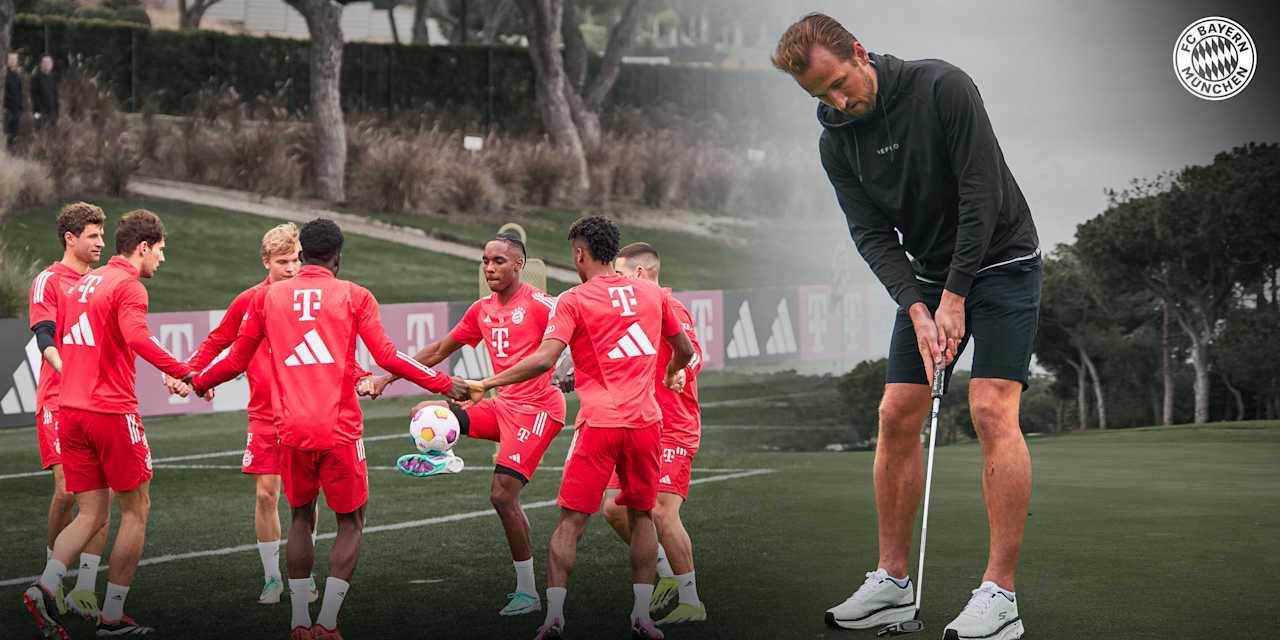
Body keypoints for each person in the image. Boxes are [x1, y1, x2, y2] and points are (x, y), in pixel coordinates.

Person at [772, 14, 1041, 640]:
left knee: (990, 410)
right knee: (895, 414)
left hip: (1001, 261)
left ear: (860, 53)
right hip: (925, 277)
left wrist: (955, 296)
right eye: (820, 96)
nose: (839, 102)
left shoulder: (943, 87)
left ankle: (1000, 597)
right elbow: (870, 234)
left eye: (840, 83)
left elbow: (982, 194)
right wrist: (920, 308)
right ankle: (893, 583)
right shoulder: (836, 140)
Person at [193, 218, 470, 640]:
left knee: (300, 517)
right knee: (351, 522)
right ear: (338, 257)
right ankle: (327, 623)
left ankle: (298, 622)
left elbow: (232, 361)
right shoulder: (354, 295)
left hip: (290, 431)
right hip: (339, 430)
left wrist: (194, 381)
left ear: (301, 254)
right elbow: (390, 357)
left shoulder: (267, 299)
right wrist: (446, 383)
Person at [464, 216, 694, 640]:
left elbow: (544, 360)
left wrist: (487, 382)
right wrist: (672, 374)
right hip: (646, 425)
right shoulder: (651, 294)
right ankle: (642, 617)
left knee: (571, 523)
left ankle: (554, 617)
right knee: (643, 518)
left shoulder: (574, 299)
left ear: (580, 254)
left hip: (599, 425)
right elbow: (683, 349)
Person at [360, 233, 566, 617]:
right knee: (424, 412)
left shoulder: (542, 305)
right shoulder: (481, 310)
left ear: (519, 265)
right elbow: (439, 350)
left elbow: (571, 342)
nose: (490, 267)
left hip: (538, 409)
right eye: (485, 261)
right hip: (503, 405)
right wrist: (386, 379)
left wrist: (571, 374)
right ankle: (442, 454)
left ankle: (528, 591)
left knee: (502, 495)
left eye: (499, 261)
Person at [24, 209, 195, 637]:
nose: (162, 259)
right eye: (160, 250)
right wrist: (185, 371)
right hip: (110, 410)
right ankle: (113, 617)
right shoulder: (128, 286)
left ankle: (46, 585)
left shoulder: (85, 283)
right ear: (143, 248)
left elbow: (108, 339)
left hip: (73, 410)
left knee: (92, 510)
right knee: (136, 509)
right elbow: (137, 336)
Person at [180, 223, 320, 605]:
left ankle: (303, 575)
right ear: (266, 261)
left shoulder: (311, 298)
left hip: (306, 413)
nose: (292, 268)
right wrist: (188, 374)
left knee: (303, 499)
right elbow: (218, 341)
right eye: (283, 262)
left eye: (296, 260)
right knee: (265, 496)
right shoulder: (249, 300)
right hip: (263, 415)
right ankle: (273, 577)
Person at [600, 242, 707, 626]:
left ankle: (692, 601)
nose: (615, 281)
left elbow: (691, 352)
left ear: (640, 275)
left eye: (621, 274)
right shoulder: (628, 312)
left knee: (661, 511)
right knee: (613, 509)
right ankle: (665, 574)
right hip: (638, 424)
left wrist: (681, 372)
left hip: (674, 426)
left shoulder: (669, 307)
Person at [27, 202, 114, 621]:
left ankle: (84, 589)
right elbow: (46, 338)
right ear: (70, 238)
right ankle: (51, 577)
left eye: (102, 235)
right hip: (60, 400)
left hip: (100, 404)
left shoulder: (101, 282)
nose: (101, 242)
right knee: (67, 492)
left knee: (103, 496)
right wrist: (74, 374)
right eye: (94, 236)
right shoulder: (49, 280)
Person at [31, 55, 58, 127]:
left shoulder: (53, 79)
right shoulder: (35, 78)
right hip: (38, 113)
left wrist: (56, 112)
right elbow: (34, 96)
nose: (47, 64)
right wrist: (41, 111)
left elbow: (55, 97)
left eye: (49, 62)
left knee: (51, 134)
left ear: (52, 64)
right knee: (38, 130)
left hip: (52, 114)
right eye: (45, 62)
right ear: (41, 64)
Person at [4, 51, 21, 145]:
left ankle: (12, 155)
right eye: (11, 59)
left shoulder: (17, 75)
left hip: (16, 110)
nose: (13, 61)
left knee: (15, 135)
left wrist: (20, 108)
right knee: (7, 134)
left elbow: (19, 92)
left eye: (15, 59)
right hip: (8, 109)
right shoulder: (4, 74)